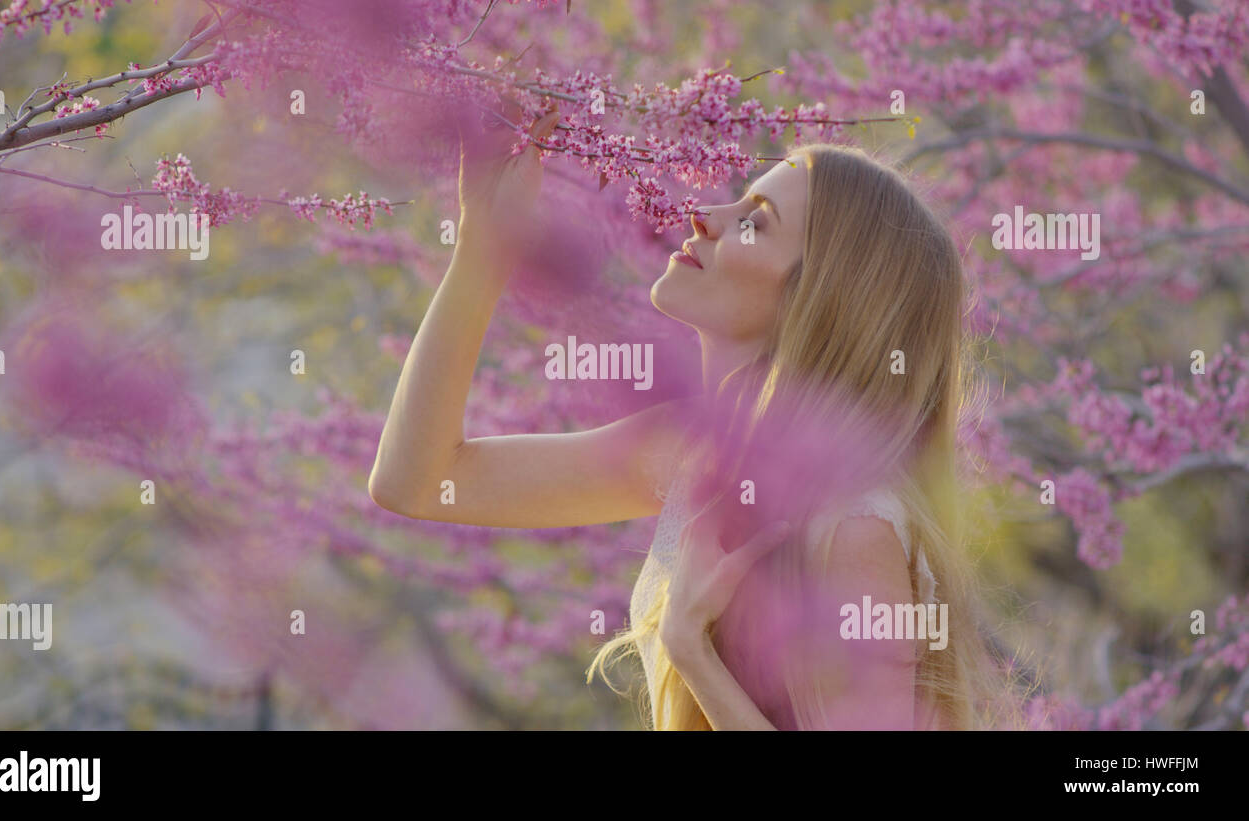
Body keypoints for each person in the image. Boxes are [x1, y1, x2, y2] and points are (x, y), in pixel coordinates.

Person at [369, 106, 1013, 730]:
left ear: (817, 298)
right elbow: (418, 481)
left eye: (755, 223)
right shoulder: (687, 452)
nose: (703, 217)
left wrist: (690, 648)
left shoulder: (853, 525)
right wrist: (484, 245)